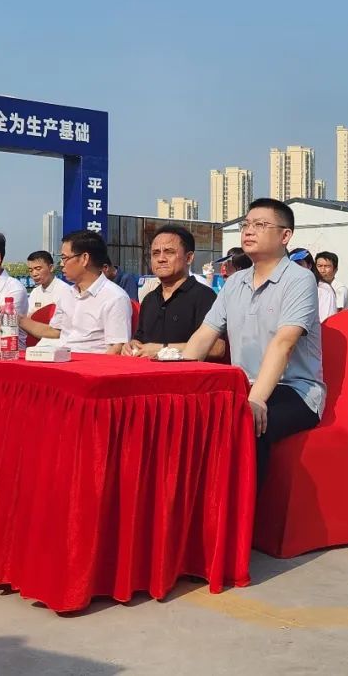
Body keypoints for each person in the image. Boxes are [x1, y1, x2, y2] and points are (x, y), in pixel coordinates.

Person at [184, 197, 325, 485]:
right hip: (241, 385)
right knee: (187, 416)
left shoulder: (299, 280)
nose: (249, 230)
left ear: (285, 236)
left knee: (246, 423)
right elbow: (204, 335)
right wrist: (180, 382)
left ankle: (246, 511)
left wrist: (256, 399)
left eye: (260, 225)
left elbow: (284, 343)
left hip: (294, 390)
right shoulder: (235, 282)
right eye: (246, 224)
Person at [127, 225, 223, 359]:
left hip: (188, 372)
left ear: (189, 258)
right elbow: (140, 340)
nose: (161, 259)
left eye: (169, 252)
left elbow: (217, 348)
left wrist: (163, 349)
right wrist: (132, 345)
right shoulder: (149, 299)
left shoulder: (204, 296)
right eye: (155, 253)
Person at [44, 230, 132, 353]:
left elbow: (117, 347)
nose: (61, 264)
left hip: (91, 362)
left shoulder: (115, 298)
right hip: (61, 357)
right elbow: (55, 331)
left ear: (84, 258)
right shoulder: (66, 293)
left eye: (64, 258)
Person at [291, 248, 338, 322]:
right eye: (291, 265)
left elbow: (326, 322)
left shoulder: (323, 291)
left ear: (309, 266)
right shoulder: (287, 288)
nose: (295, 268)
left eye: (299, 264)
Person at [26, 250, 70, 316]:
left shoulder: (65, 291)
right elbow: (29, 316)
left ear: (51, 268)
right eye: (30, 270)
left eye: (38, 269)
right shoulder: (35, 293)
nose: (34, 274)